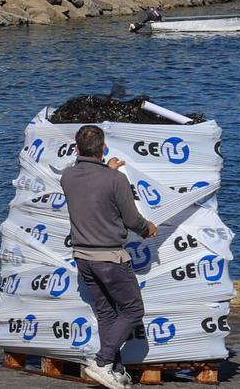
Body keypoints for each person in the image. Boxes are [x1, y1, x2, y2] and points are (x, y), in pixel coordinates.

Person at [59, 124, 158, 389]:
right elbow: (131, 219)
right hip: (111, 259)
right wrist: (147, 228)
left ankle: (114, 368)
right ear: (104, 149)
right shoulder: (116, 180)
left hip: (83, 257)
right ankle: (102, 362)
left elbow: (90, 182)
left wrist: (107, 169)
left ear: (76, 149)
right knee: (134, 308)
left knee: (106, 313)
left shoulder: (67, 176)